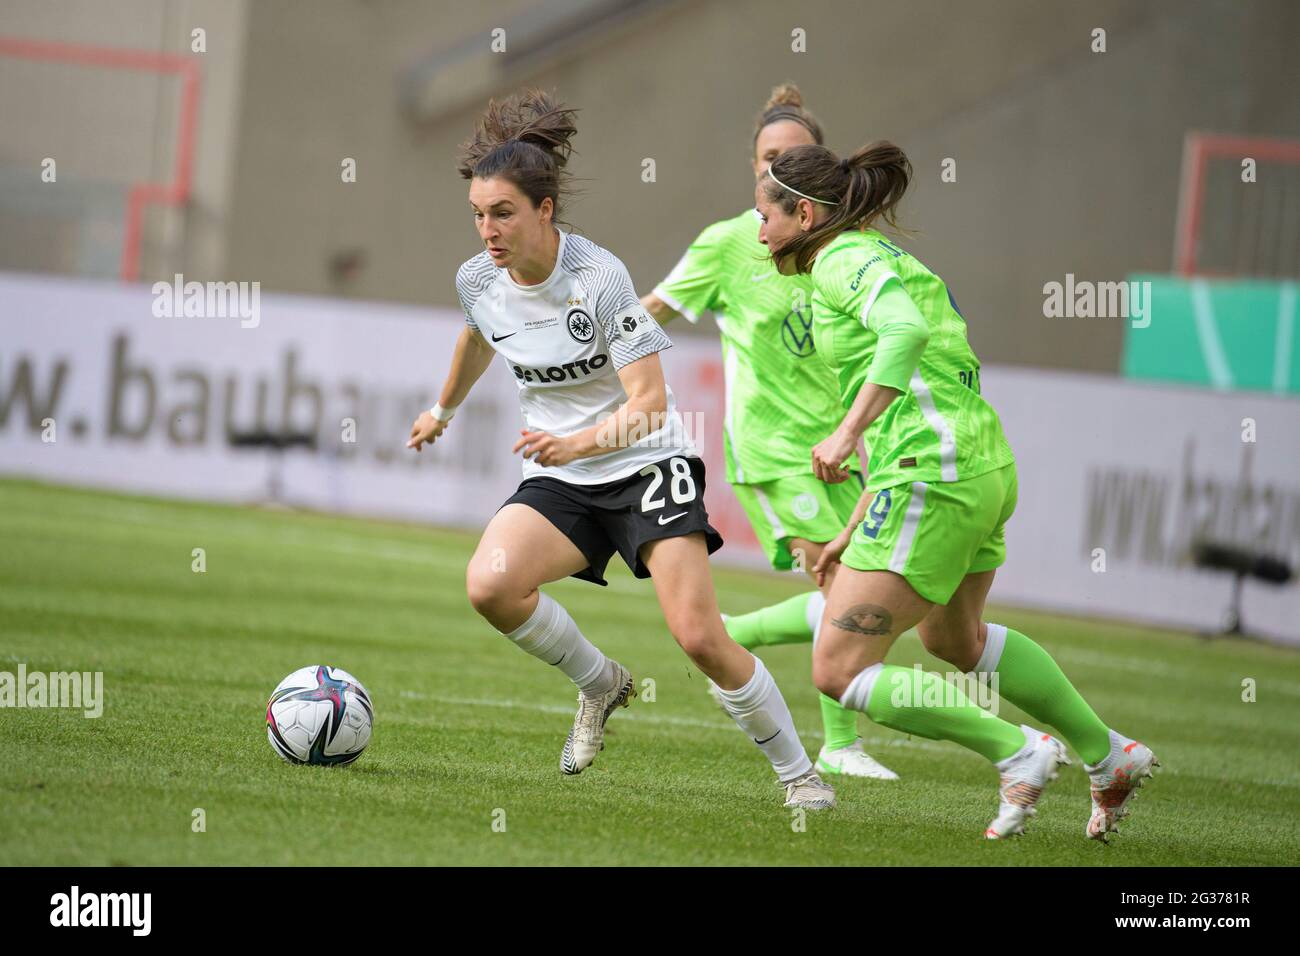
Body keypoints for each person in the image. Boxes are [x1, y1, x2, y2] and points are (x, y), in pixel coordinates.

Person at [407, 89, 835, 809]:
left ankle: (801, 776)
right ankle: (601, 682)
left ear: (544, 210)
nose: (488, 229)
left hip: (644, 465)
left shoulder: (600, 279)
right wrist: (441, 408)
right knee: (491, 585)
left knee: (698, 636)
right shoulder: (477, 278)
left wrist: (576, 444)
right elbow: (476, 336)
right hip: (564, 473)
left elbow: (650, 405)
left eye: (503, 213)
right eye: (479, 215)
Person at [754, 139, 1159, 839]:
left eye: (766, 214)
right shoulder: (881, 256)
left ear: (807, 212)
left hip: (933, 476)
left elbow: (905, 333)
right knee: (957, 640)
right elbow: (927, 371)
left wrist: (847, 434)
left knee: (839, 669)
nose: (758, 228)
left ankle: (1019, 752)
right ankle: (1107, 753)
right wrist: (856, 522)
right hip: (979, 467)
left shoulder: (842, 261)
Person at [642, 84, 897, 781]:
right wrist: (585, 340)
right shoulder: (731, 243)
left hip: (840, 447)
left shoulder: (844, 250)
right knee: (843, 584)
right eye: (763, 158)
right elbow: (653, 311)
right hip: (773, 449)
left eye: (786, 157)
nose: (770, 169)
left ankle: (717, 639)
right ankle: (840, 746)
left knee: (865, 593)